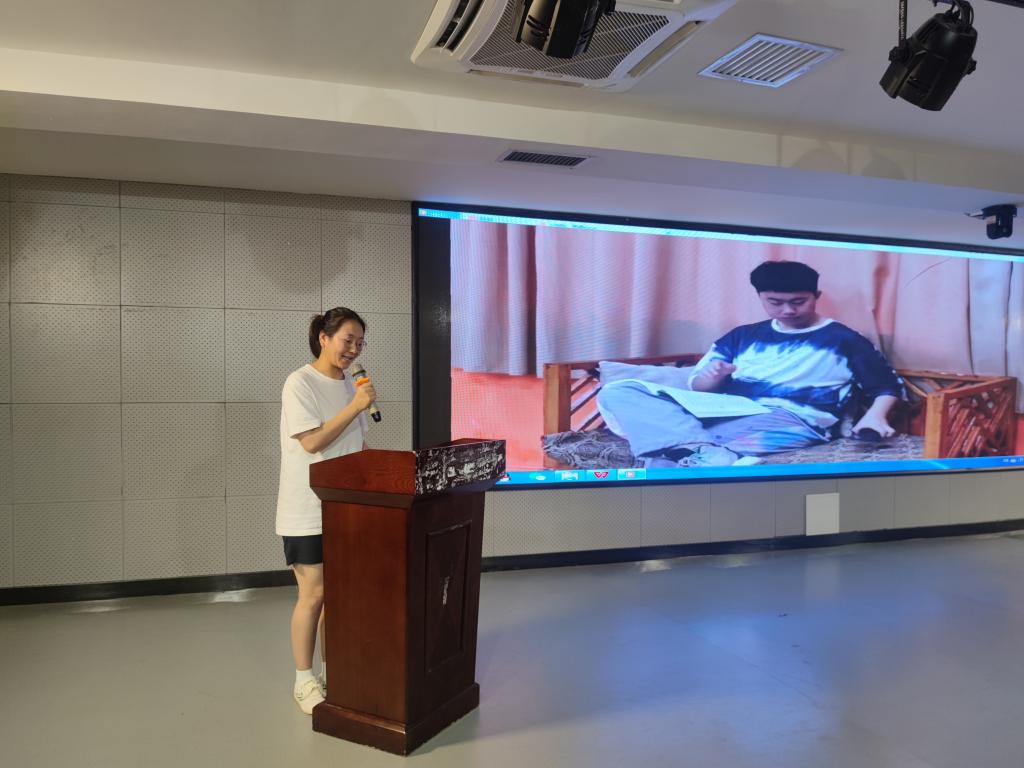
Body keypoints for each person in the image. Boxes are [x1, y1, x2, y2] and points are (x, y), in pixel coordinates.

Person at [596, 260, 905, 466]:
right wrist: (713, 376)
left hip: (795, 420)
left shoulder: (843, 339)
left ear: (816, 296)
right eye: (775, 302)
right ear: (760, 297)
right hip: (726, 410)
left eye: (798, 302)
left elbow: (885, 386)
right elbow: (698, 387)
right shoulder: (742, 336)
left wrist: (875, 417)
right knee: (619, 391)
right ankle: (705, 455)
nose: (788, 310)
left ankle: (696, 458)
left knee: (668, 451)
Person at [276, 307, 377, 714]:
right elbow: (312, 442)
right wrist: (356, 405)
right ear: (324, 337)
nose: (354, 350)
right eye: (347, 340)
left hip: (346, 508)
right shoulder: (299, 382)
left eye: (360, 343)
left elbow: (357, 446)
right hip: (307, 508)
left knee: (339, 597)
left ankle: (335, 670)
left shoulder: (352, 386)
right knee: (314, 594)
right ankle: (303, 680)